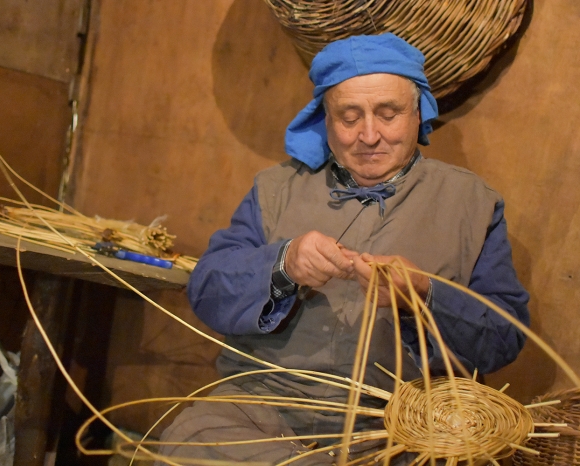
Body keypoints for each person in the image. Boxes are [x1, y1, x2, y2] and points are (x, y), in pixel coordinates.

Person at [157, 33, 530, 465]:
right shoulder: (275, 189)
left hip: (395, 431)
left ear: (417, 113)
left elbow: (503, 339)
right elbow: (206, 290)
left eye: (388, 114)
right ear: (325, 120)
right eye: (349, 117)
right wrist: (283, 264)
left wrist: (425, 295)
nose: (369, 135)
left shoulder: (473, 204)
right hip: (258, 417)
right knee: (189, 445)